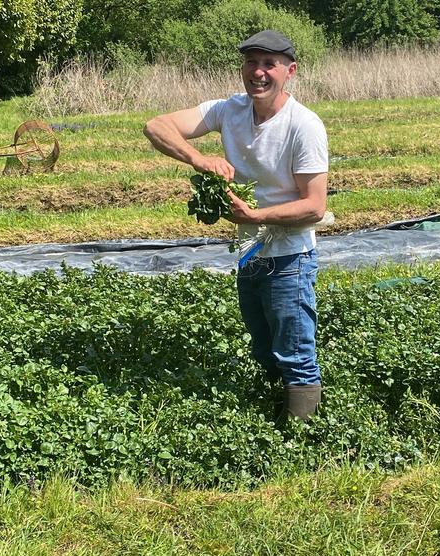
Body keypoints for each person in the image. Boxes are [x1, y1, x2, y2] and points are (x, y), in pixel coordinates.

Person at [143, 30, 329, 422]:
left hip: (291, 257)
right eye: (251, 62)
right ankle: (268, 417)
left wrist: (256, 216)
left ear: (289, 71)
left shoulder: (304, 126)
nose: (258, 72)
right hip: (249, 253)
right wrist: (199, 159)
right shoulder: (229, 110)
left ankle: (302, 443)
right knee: (263, 347)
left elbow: (314, 207)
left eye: (269, 64)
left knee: (295, 352)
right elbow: (156, 126)